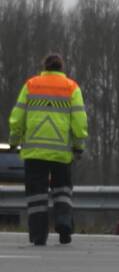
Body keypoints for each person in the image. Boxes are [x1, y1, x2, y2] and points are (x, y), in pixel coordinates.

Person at [7, 53, 88, 245]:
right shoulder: (71, 87)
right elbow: (79, 121)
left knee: (37, 195)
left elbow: (17, 118)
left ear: (44, 67)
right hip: (61, 152)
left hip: (35, 152)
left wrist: (14, 140)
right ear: (62, 68)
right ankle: (64, 224)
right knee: (62, 190)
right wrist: (78, 146)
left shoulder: (31, 85)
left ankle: (38, 235)